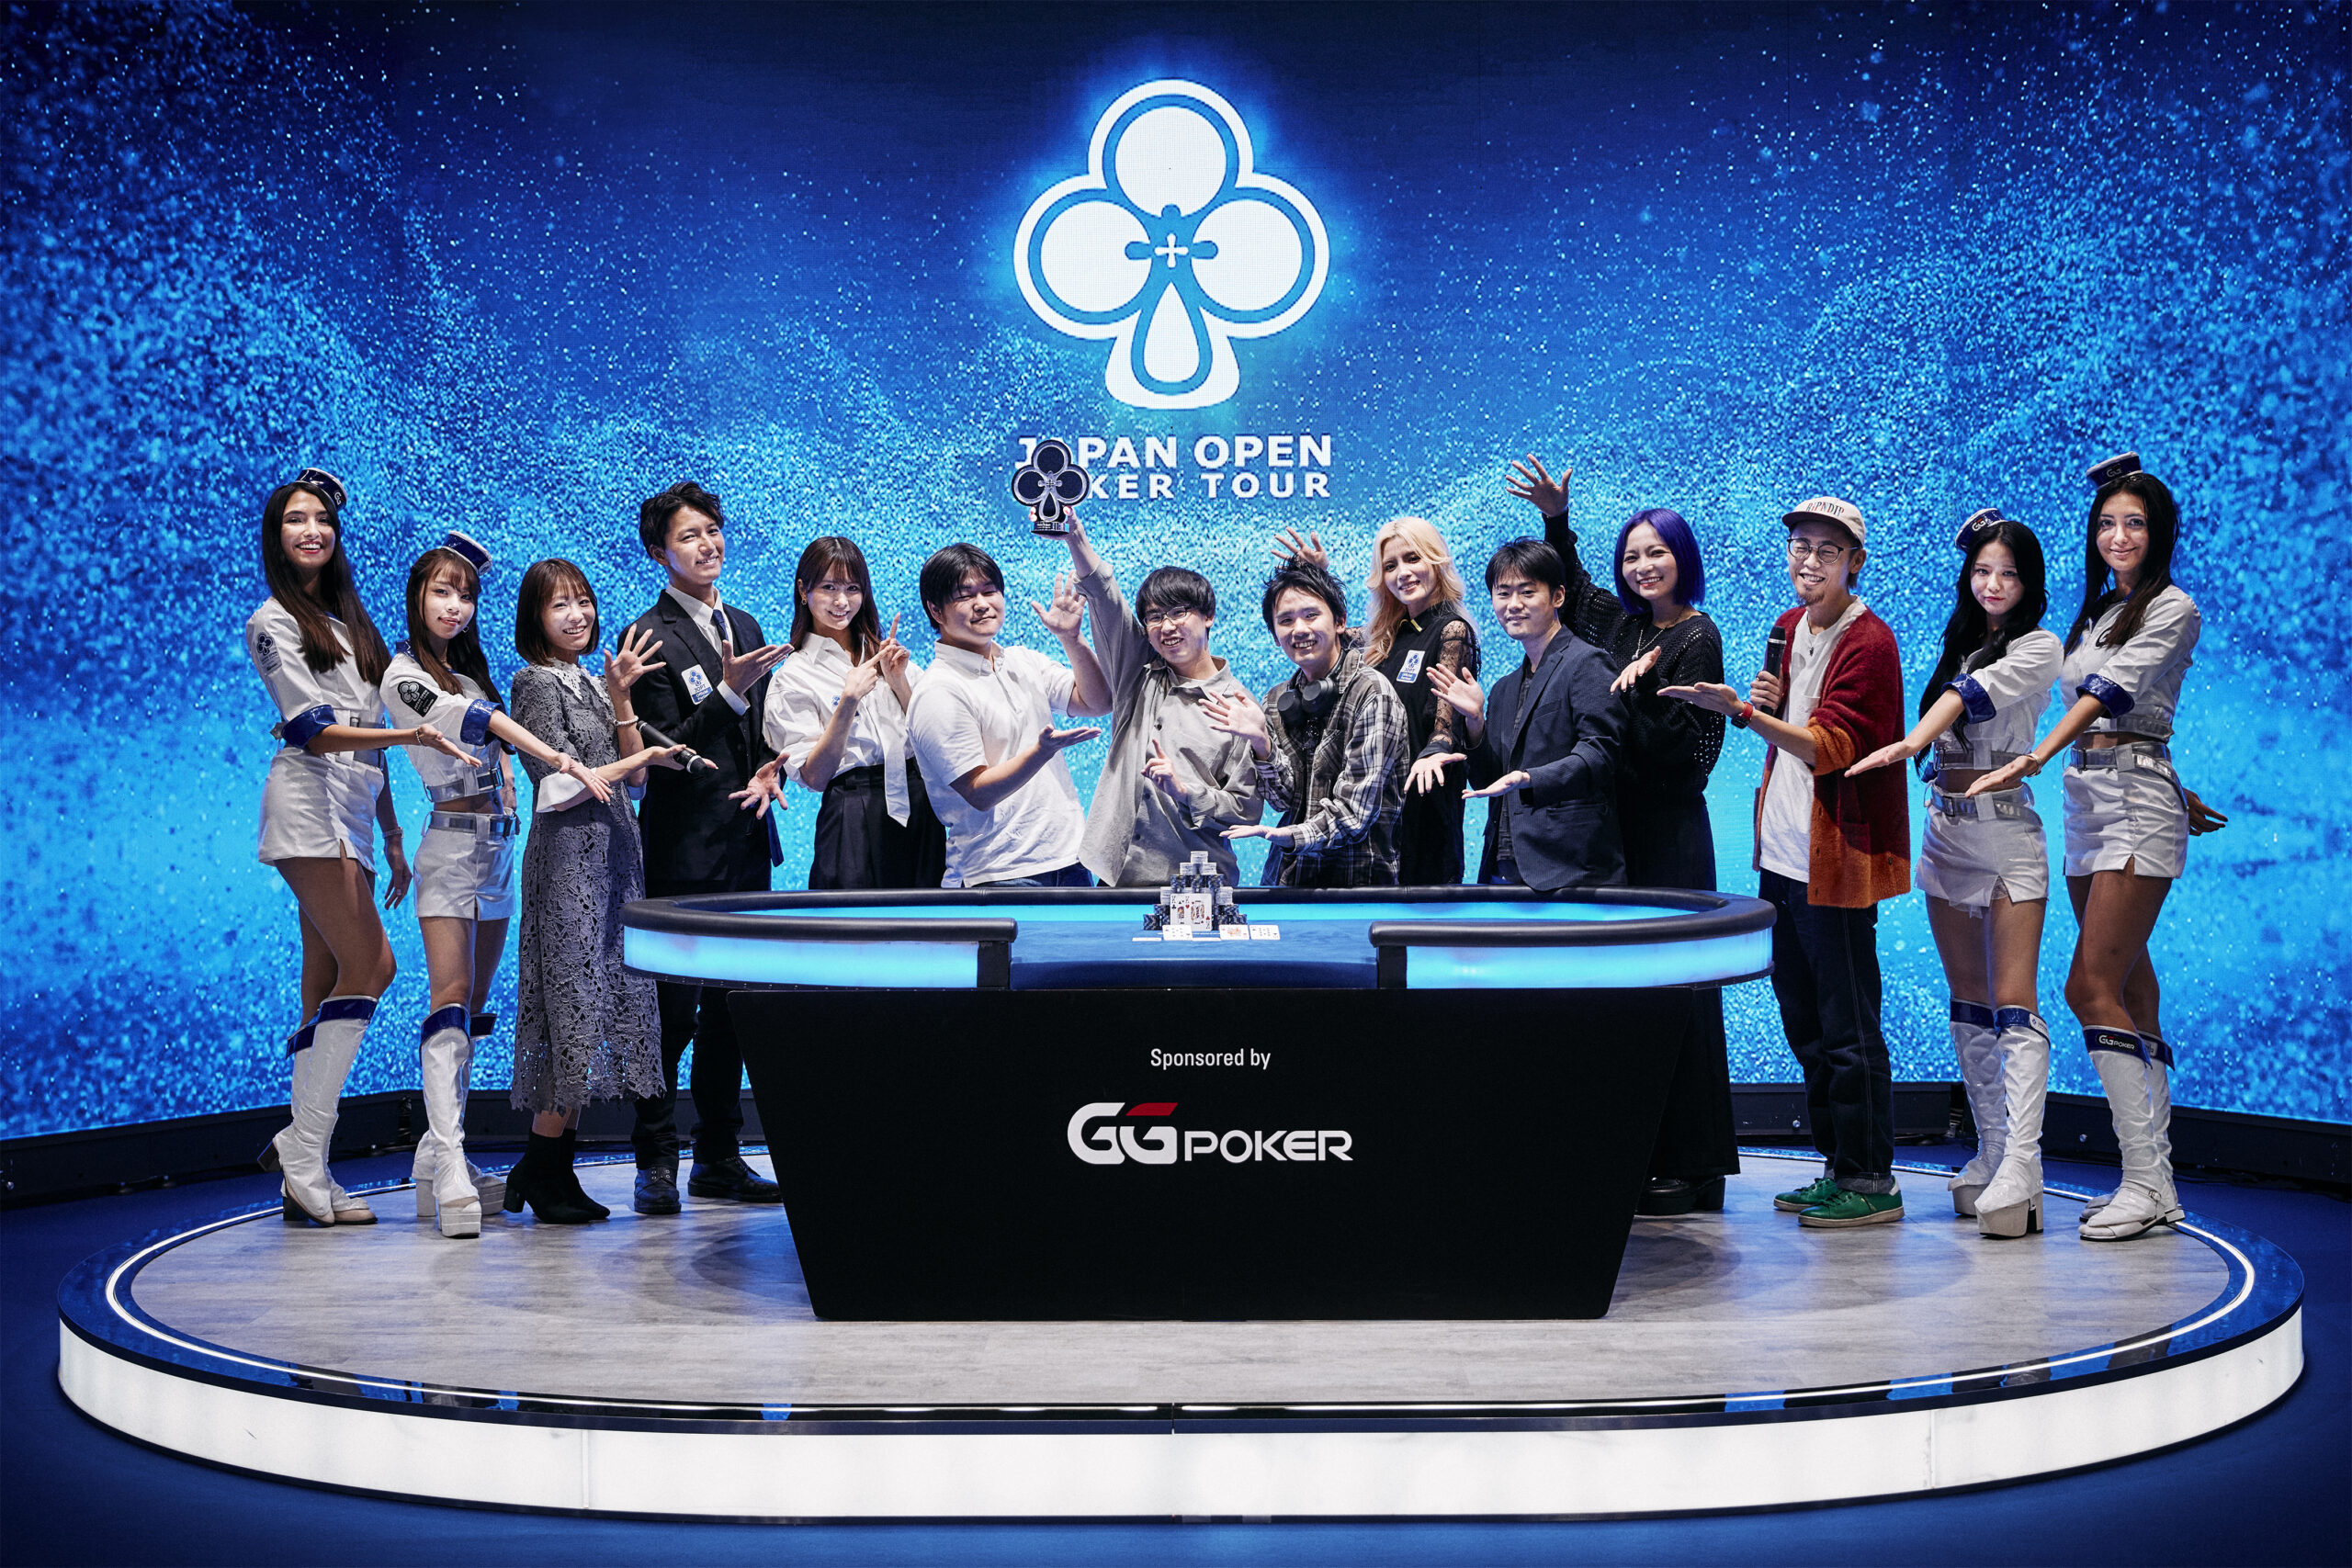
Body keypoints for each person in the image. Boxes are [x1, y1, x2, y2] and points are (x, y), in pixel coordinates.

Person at [1967, 456, 2227, 1241]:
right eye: (2108, 523)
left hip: (2134, 806)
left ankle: (2143, 1180)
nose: (2119, 536)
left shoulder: (2174, 606)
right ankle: (2161, 1184)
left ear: (2160, 532)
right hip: (2092, 801)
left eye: (2135, 523)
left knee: (2089, 986)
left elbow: (2112, 694)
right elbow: (2125, 713)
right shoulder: (2097, 612)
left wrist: (2037, 755)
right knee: (2133, 990)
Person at [1664, 496, 1911, 1230]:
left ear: (1855, 562)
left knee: (1849, 1025)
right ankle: (1836, 1166)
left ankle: (1870, 1177)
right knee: (1805, 1021)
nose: (1809, 560)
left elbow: (1831, 748)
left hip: (1835, 859)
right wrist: (1766, 706)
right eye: (1800, 545)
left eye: (1827, 550)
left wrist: (1746, 713)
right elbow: (1790, 728)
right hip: (1782, 855)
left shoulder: (1870, 641)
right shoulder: (1787, 625)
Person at [244, 468, 474, 1227]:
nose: (311, 529)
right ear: (276, 537)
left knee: (324, 984)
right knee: (375, 965)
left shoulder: (350, 622)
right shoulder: (271, 621)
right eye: (295, 519)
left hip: (354, 813)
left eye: (321, 519)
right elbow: (313, 730)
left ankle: (302, 1172)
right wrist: (413, 736)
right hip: (307, 806)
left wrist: (396, 833)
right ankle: (302, 1148)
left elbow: (369, 743)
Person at [1507, 468, 1739, 1213]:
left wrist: (1639, 687)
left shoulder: (1696, 635)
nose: (1643, 566)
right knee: (1633, 1001)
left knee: (1682, 992)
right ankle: (1645, 1151)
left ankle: (1698, 1166)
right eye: (1633, 555)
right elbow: (1571, 587)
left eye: (1657, 553)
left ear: (1683, 558)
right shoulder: (1621, 625)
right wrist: (1558, 517)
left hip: (1671, 835)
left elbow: (1690, 754)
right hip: (1618, 835)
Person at [380, 532, 618, 1237]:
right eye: (442, 591)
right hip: (450, 846)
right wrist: (557, 759)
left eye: (466, 594)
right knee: (450, 997)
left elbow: (489, 731)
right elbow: (481, 723)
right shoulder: (402, 674)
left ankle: (435, 1157)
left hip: (498, 848)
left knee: (476, 1007)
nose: (455, 605)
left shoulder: (470, 671)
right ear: (417, 597)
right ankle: (450, 1160)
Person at [1847, 512, 2062, 1238]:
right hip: (1946, 832)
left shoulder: (2040, 647)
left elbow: (1972, 695)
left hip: (2006, 837)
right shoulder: (1962, 643)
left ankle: (2024, 1166)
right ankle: (1995, 1150)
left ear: (2030, 583)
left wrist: (1911, 740)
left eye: (2008, 573)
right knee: (1968, 1001)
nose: (1993, 584)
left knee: (2012, 1000)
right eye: (1982, 572)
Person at [619, 482, 788, 1216]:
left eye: (713, 530)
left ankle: (718, 1155)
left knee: (732, 1010)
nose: (707, 544)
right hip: (681, 850)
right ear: (659, 551)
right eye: (689, 536)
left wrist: (775, 768)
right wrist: (728, 690)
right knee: (671, 1013)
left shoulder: (744, 622)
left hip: (746, 847)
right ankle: (655, 1159)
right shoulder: (645, 635)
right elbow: (663, 753)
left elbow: (762, 735)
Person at [505, 558, 682, 1224]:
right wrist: (641, 756)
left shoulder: (589, 679)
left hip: (614, 857)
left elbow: (635, 784)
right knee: (571, 1005)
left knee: (598, 1005)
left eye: (582, 601)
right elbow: (554, 785)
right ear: (535, 618)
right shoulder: (534, 682)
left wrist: (622, 698)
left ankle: (551, 1167)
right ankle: (542, 1165)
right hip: (568, 862)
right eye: (560, 605)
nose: (577, 614)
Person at [1056, 513, 1261, 886]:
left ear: (1208, 616)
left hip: (1196, 883)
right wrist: (1075, 539)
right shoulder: (1137, 673)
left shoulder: (1240, 708)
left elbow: (1245, 811)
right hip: (1115, 876)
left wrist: (1186, 793)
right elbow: (1106, 599)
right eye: (1154, 617)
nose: (1167, 627)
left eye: (1178, 613)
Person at [1275, 520, 1483, 886]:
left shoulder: (1451, 630)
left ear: (1436, 561)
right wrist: (1317, 577)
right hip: (1379, 805)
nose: (1403, 573)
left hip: (1425, 796)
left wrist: (1436, 750)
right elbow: (1328, 631)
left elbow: (1445, 725)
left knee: (1420, 905)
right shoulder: (1386, 635)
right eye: (1390, 566)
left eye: (1413, 558)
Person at [903, 543, 1109, 887]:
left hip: (1070, 860)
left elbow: (1097, 702)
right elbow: (979, 792)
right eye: (965, 595)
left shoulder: (1022, 661)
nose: (982, 604)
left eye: (989, 591)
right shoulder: (938, 690)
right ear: (936, 610)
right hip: (999, 873)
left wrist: (1071, 639)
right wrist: (1040, 752)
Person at [1423, 539, 1625, 889]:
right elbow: (1488, 781)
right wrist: (1475, 721)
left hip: (1572, 870)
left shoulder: (1587, 662)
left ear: (1558, 596)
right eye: (1503, 594)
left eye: (1527, 592)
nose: (1513, 604)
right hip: (1502, 870)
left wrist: (1530, 778)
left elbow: (1600, 754)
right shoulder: (1503, 688)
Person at [1203, 558, 1409, 886]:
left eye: (1311, 615)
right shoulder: (1275, 700)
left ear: (1340, 621)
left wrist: (1288, 836)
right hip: (1287, 881)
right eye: (1286, 621)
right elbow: (1282, 800)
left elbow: (1354, 815)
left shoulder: (1372, 692)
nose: (1299, 629)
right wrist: (1262, 745)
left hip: (1359, 888)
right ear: (1275, 636)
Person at [756, 536, 945, 889]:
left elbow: (933, 740)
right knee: (851, 919)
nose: (841, 601)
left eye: (852, 588)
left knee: (928, 917)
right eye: (829, 587)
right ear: (803, 590)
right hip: (852, 808)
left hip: (918, 802)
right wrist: (848, 702)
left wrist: (899, 682)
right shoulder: (793, 676)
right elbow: (815, 778)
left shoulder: (887, 655)